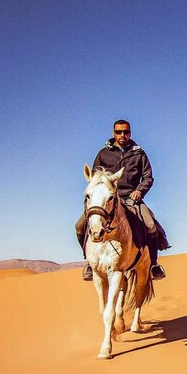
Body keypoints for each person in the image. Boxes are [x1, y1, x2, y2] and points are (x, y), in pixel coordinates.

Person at [75, 119, 170, 281]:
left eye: (125, 132)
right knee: (79, 225)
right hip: (108, 201)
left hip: (131, 199)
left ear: (130, 133)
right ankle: (90, 263)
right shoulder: (103, 154)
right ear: (113, 133)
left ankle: (153, 264)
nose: (122, 135)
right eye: (118, 132)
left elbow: (148, 177)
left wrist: (139, 191)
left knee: (150, 224)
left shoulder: (139, 154)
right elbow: (94, 178)